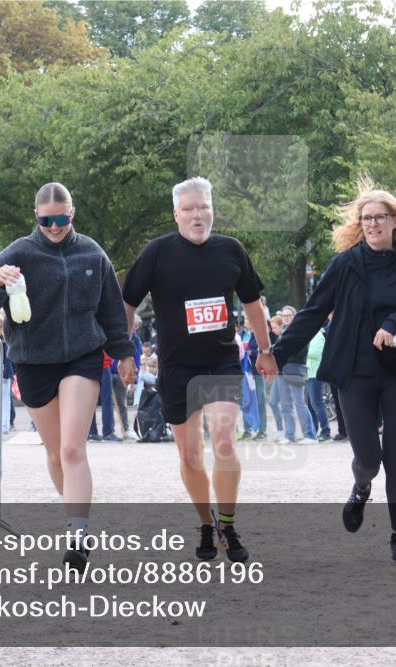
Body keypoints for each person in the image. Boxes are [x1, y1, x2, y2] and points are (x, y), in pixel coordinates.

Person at [267, 176, 396, 563]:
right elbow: (313, 312)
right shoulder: (345, 265)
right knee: (369, 459)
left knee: (395, 456)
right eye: (366, 218)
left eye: (380, 217)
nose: (373, 224)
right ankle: (361, 487)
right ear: (359, 223)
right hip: (353, 372)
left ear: (395, 221)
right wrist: (279, 354)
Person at [0, 182, 135, 571]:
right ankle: (76, 514)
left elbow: (112, 310)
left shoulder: (92, 252)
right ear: (36, 217)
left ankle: (77, 535)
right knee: (55, 449)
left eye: (62, 218)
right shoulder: (20, 252)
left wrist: (124, 353)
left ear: (72, 213)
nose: (55, 226)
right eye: (47, 220)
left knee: (75, 448)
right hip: (33, 359)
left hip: (82, 356)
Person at [122, 176, 274, 563]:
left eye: (203, 207)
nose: (197, 215)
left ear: (212, 209)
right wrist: (125, 352)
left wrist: (266, 349)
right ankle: (205, 523)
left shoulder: (231, 250)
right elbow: (128, 303)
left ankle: (227, 523)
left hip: (220, 360)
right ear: (176, 214)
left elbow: (254, 303)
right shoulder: (157, 253)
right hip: (177, 366)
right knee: (190, 456)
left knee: (223, 438)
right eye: (188, 209)